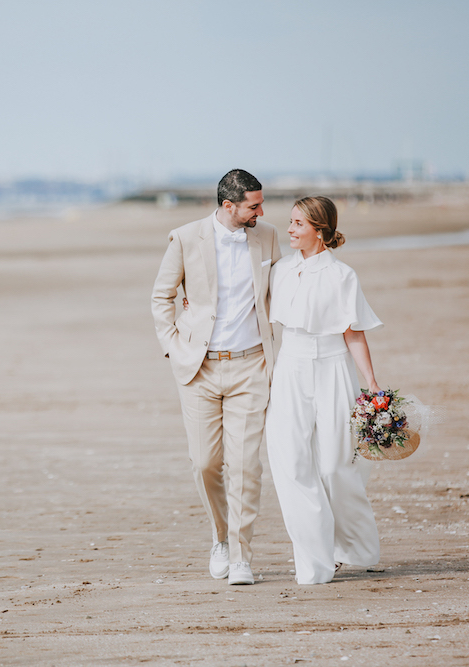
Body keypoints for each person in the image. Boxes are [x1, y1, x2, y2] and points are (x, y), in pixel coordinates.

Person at [151, 169, 283, 585]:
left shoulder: (268, 237)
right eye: (254, 206)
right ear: (229, 206)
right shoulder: (186, 238)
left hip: (251, 366)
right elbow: (162, 296)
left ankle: (242, 556)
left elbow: (279, 293)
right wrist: (173, 346)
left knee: (245, 464)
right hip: (199, 367)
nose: (261, 211)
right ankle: (220, 537)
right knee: (205, 463)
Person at [265, 196, 382, 585]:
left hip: (333, 368)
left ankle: (354, 548)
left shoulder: (342, 276)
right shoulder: (280, 270)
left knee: (335, 466)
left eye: (298, 223)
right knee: (292, 462)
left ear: (320, 229)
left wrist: (372, 383)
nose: (290, 229)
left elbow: (354, 333)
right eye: (291, 222)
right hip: (291, 368)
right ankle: (314, 562)